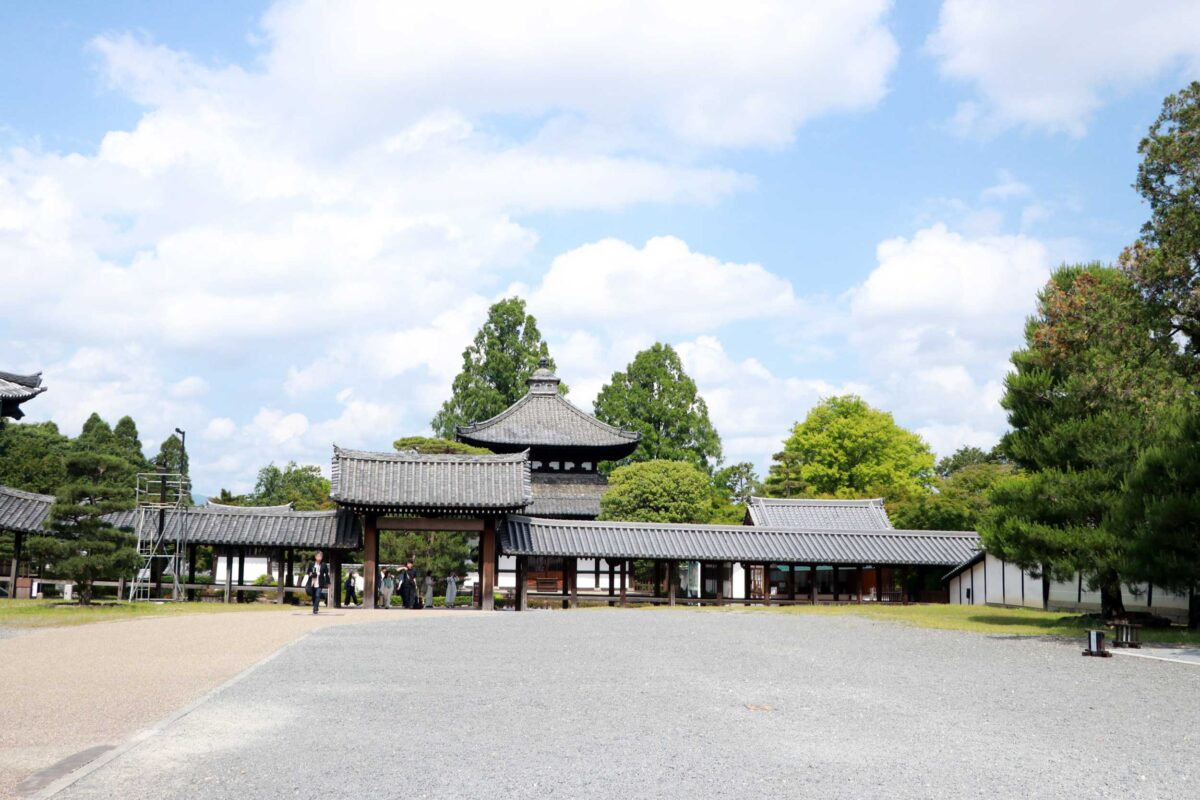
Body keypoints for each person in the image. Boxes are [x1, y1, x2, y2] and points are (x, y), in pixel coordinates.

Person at [305, 551, 330, 615]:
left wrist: (328, 582)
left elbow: (327, 574)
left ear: (322, 557)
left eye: (320, 556)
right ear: (315, 557)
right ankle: (315, 606)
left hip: (320, 582)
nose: (319, 557)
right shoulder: (312, 564)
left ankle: (315, 608)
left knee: (318, 595)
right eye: (318, 556)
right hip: (312, 581)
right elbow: (308, 572)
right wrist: (310, 574)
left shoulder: (324, 564)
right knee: (313, 596)